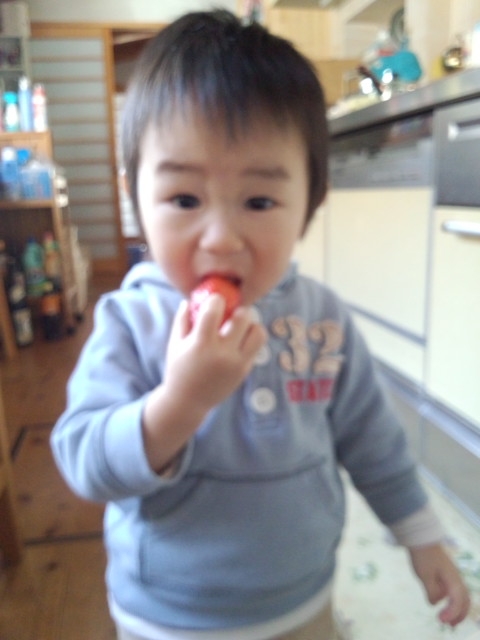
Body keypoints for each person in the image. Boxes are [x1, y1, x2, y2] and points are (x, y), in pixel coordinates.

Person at [50, 10, 471, 640]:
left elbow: (372, 439)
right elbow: (85, 461)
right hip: (168, 613)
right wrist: (181, 402)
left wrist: (421, 537)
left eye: (259, 201)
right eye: (184, 199)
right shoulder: (130, 320)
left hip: (301, 599)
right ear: (136, 196)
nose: (221, 238)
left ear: (310, 204)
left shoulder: (323, 321)